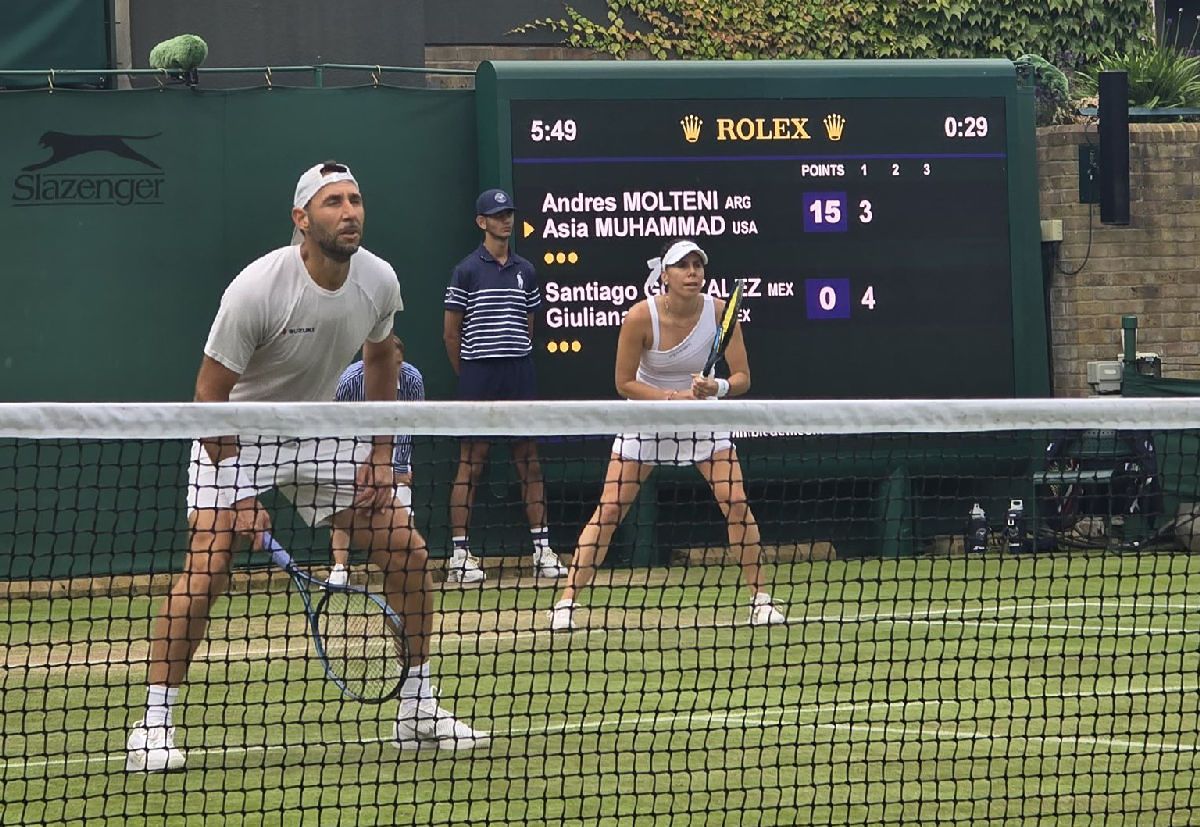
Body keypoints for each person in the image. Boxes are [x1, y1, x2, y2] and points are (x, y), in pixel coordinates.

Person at [124, 161, 486, 773]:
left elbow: (381, 361)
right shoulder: (256, 289)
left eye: (356, 200)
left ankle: (418, 708)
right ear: (301, 219)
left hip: (318, 433)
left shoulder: (378, 280)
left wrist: (377, 453)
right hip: (234, 434)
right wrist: (238, 491)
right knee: (207, 570)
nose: (350, 212)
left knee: (408, 552)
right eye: (333, 203)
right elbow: (208, 396)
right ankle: (153, 725)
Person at [549, 239, 787, 632]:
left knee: (737, 503)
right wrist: (671, 397)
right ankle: (566, 602)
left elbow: (742, 378)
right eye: (683, 266)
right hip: (647, 418)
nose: (692, 272)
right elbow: (623, 382)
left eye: (698, 265)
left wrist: (717, 389)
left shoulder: (720, 313)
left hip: (702, 419)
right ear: (665, 276)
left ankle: (759, 599)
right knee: (609, 511)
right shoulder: (640, 318)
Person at [442, 188, 568, 584]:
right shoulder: (465, 270)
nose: (505, 221)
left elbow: (529, 325)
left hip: (519, 373)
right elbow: (451, 333)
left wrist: (513, 361)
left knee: (528, 460)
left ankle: (543, 551)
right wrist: (471, 374)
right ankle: (459, 556)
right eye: (497, 215)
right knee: (472, 462)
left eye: (508, 214)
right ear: (482, 222)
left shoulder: (525, 270)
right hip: (479, 374)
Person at [328, 335, 424, 586]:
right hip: (353, 448)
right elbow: (339, 426)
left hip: (394, 449)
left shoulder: (413, 380)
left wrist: (398, 468)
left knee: (403, 512)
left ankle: (402, 570)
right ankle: (339, 569)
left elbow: (409, 427)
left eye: (398, 363)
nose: (394, 369)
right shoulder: (349, 381)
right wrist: (354, 463)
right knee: (343, 507)